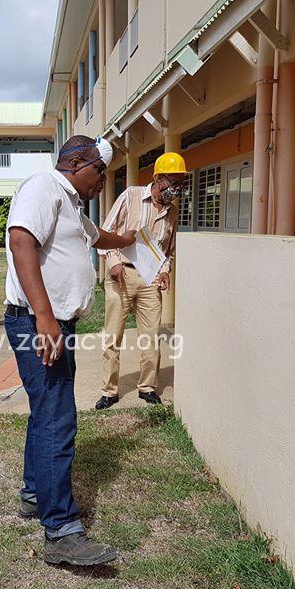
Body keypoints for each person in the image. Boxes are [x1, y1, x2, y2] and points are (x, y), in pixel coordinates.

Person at [5, 135, 137, 567]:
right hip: (39, 323)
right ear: (77, 163)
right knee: (57, 421)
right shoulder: (44, 187)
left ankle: (33, 493)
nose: (102, 181)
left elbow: (100, 238)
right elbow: (21, 241)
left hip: (56, 325)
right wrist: (45, 319)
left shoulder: (73, 206)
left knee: (46, 413)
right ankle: (60, 531)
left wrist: (130, 238)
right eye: (100, 171)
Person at [94, 151, 188, 410]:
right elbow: (106, 233)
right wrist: (113, 262)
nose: (177, 188)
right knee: (113, 337)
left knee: (151, 337)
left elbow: (168, 251)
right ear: (158, 178)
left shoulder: (172, 212)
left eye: (181, 183)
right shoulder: (131, 196)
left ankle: (147, 387)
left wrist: (165, 270)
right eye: (173, 182)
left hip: (150, 280)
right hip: (122, 275)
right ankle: (109, 390)